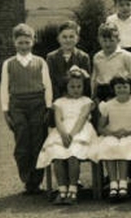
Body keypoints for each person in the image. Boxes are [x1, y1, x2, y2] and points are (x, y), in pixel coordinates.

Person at [0, 23, 52, 194]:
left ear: (33, 42)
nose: (24, 46)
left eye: (27, 42)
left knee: (38, 141)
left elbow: (47, 86)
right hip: (18, 106)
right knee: (22, 143)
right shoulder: (8, 64)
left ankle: (37, 182)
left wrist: (48, 108)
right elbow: (4, 88)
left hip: (38, 104)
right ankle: (27, 180)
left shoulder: (40, 62)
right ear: (14, 42)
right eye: (20, 42)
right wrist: (6, 111)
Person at [36, 67, 97, 205]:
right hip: (62, 130)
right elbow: (58, 120)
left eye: (79, 86)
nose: (76, 89)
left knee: (72, 155)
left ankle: (73, 190)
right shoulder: (59, 102)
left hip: (80, 130)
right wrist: (63, 134)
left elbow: (82, 118)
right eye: (72, 86)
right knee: (58, 155)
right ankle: (62, 190)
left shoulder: (86, 101)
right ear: (66, 87)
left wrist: (72, 135)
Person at [94, 75, 131, 202]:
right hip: (112, 134)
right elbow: (101, 127)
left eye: (125, 86)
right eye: (118, 87)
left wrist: (129, 132)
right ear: (113, 89)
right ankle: (113, 184)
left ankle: (123, 183)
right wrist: (112, 133)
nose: (122, 89)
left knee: (124, 147)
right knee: (109, 146)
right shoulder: (107, 106)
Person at [90, 22, 131, 104]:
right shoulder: (97, 57)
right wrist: (93, 94)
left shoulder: (127, 56)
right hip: (102, 93)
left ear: (118, 40)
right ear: (99, 40)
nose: (107, 44)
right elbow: (95, 77)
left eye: (111, 40)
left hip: (119, 92)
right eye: (104, 41)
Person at [46, 21, 91, 99]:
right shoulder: (51, 58)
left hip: (78, 99)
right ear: (58, 39)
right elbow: (51, 82)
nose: (68, 40)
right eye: (64, 37)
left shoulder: (83, 57)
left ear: (77, 39)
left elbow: (86, 83)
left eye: (71, 37)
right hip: (58, 99)